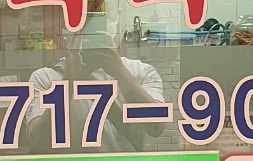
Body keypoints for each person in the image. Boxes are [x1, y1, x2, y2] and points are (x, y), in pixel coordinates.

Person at [24, 30, 165, 152]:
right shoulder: (46, 77)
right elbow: (38, 142)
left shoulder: (141, 72)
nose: (93, 33)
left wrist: (120, 72)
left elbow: (156, 127)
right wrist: (69, 79)